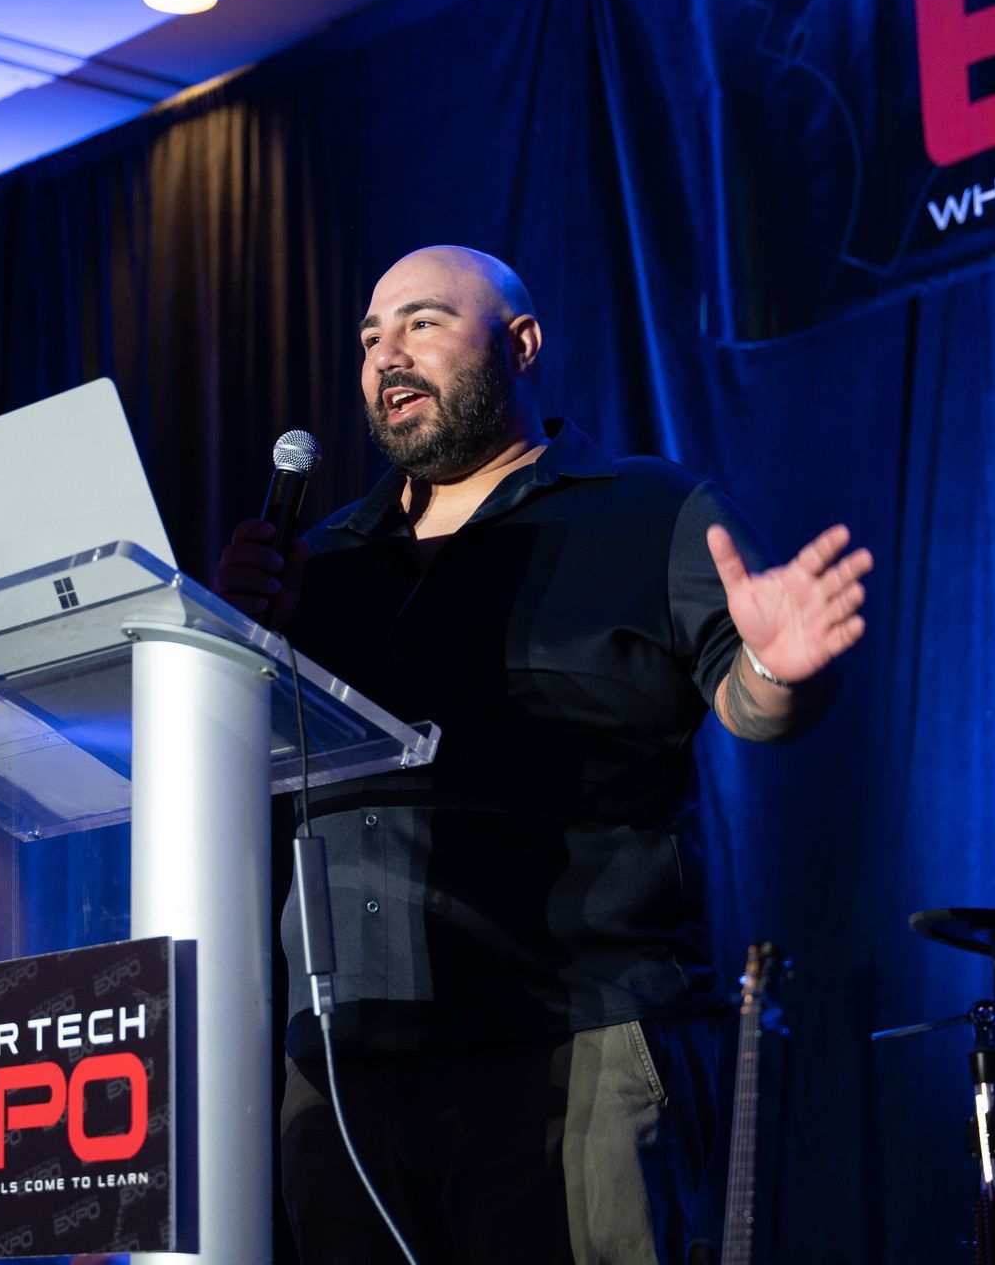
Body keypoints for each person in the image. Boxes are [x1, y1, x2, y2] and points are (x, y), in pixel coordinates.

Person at [214, 246, 872, 1264]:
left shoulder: (649, 510)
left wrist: (783, 667)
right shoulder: (324, 559)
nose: (388, 352)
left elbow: (755, 704)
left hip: (575, 1042)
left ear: (519, 344)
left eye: (423, 323)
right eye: (371, 335)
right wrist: (231, 648)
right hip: (346, 1063)